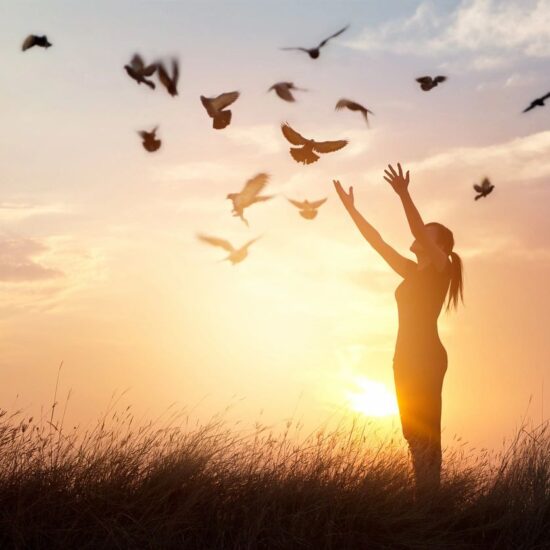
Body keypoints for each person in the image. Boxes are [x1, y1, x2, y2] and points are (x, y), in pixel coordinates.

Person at [333, 163, 463, 496]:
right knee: (412, 432)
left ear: (441, 247)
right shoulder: (411, 273)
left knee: (427, 431)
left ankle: (431, 501)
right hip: (403, 357)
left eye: (427, 233)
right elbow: (376, 242)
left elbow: (419, 231)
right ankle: (425, 495)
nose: (419, 235)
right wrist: (352, 210)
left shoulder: (441, 269)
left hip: (427, 357)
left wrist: (404, 195)